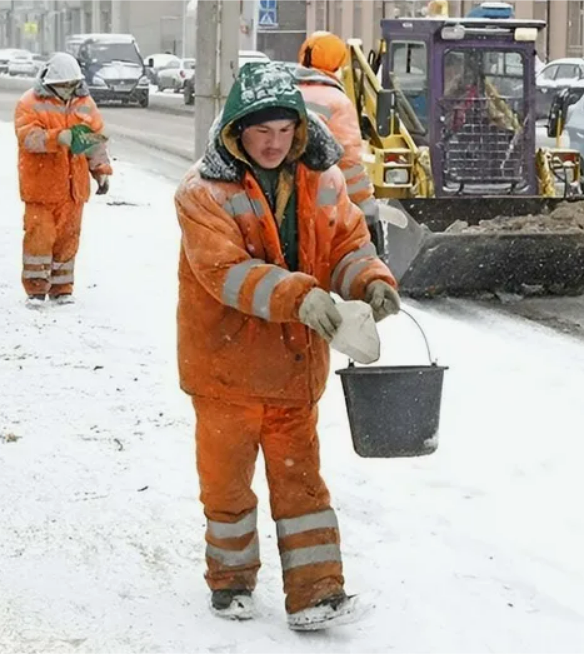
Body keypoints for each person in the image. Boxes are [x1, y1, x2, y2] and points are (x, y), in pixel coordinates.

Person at [173, 61, 401, 629]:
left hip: (295, 370)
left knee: (302, 486)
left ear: (299, 128)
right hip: (224, 369)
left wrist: (369, 279)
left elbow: (346, 241)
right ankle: (230, 582)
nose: (274, 144)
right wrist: (299, 296)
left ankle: (318, 593)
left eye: (284, 130)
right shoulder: (203, 193)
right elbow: (223, 271)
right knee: (226, 485)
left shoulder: (322, 180)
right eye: (261, 132)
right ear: (236, 131)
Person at [14, 52, 111, 306]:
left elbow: (94, 140)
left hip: (73, 191)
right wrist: (57, 138)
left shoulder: (85, 104)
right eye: (63, 85)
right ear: (51, 83)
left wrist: (100, 170)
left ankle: (62, 288)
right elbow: (28, 138)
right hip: (41, 190)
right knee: (39, 240)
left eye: (71, 84)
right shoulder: (29, 103)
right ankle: (35, 289)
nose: (67, 89)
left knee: (68, 240)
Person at [292, 32, 382, 250]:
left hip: (287, 199)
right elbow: (348, 160)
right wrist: (365, 203)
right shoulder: (337, 102)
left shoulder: (290, 94)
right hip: (323, 199)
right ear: (338, 64)